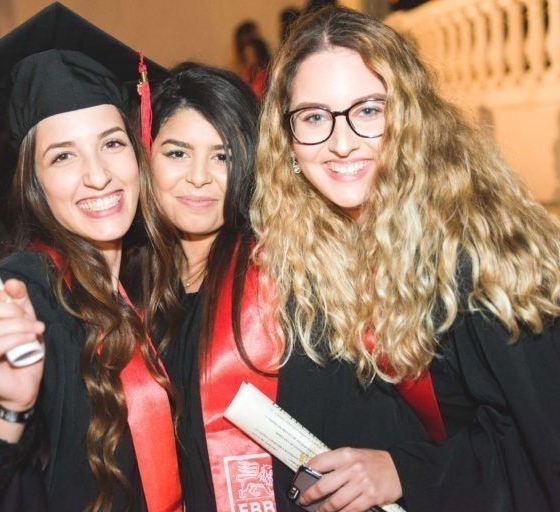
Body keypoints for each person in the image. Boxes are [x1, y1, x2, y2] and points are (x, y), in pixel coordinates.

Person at [251, 6, 560, 511]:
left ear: (409, 117)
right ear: (287, 140)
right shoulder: (316, 253)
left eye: (368, 109)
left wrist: (407, 470)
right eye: (314, 117)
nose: (342, 142)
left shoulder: (483, 252)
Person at [0, 4, 181, 512]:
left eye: (112, 143)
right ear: (34, 182)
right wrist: (9, 410)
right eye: (63, 155)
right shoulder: (14, 302)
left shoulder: (150, 280)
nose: (98, 176)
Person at [123, 62, 426, 512]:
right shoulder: (136, 293)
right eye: (177, 153)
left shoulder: (295, 284)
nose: (200, 177)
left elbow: (378, 429)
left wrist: (403, 469)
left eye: (223, 156)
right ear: (146, 157)